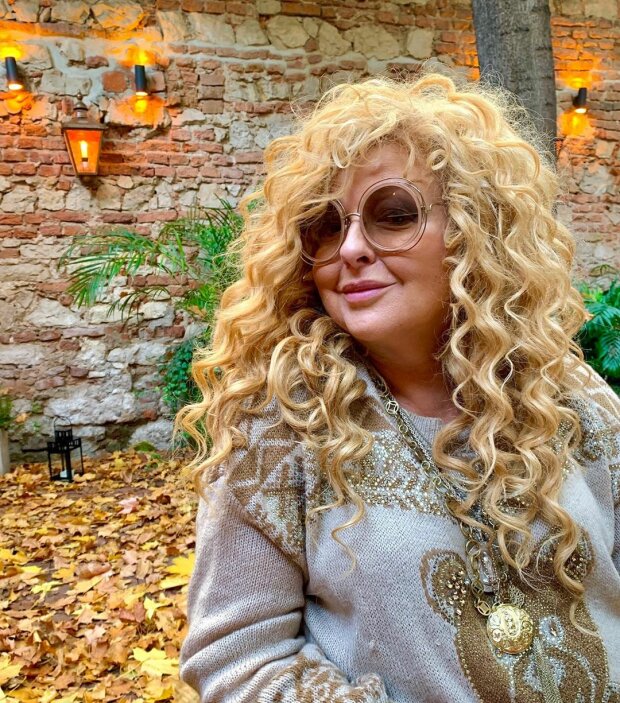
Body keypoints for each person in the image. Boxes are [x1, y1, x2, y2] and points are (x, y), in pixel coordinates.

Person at [177, 72, 620, 703]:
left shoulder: (567, 396)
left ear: (476, 230)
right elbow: (237, 658)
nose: (351, 248)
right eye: (326, 226)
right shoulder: (279, 428)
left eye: (393, 216)